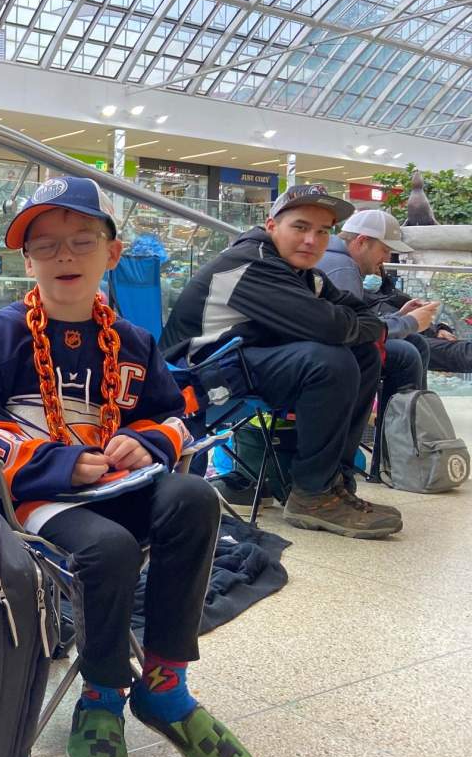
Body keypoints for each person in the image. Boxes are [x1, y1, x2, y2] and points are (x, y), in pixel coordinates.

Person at [0, 177, 257, 757]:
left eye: (82, 240)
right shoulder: (2, 335)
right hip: (39, 500)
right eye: (46, 245)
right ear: (27, 260)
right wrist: (56, 461)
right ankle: (102, 692)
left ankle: (165, 684)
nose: (65, 255)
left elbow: (174, 416)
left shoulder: (134, 342)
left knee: (196, 497)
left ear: (112, 254)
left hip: (120, 487)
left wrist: (146, 441)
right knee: (111, 550)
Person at [161, 184, 402, 539]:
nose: (312, 240)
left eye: (323, 231)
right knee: (328, 361)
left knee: (363, 354)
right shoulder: (250, 263)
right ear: (272, 225)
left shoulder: (306, 274)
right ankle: (312, 494)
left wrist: (360, 326)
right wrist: (352, 325)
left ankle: (332, 481)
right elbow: (331, 326)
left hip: (241, 362)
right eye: (301, 227)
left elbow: (364, 316)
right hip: (197, 375)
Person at [315, 209, 439, 398]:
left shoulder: (338, 260)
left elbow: (357, 322)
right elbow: (354, 332)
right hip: (328, 356)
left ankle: (409, 421)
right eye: (385, 250)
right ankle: (399, 425)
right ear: (362, 242)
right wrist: (409, 322)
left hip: (326, 347)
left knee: (415, 342)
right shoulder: (343, 269)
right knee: (407, 353)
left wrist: (400, 316)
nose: (387, 259)